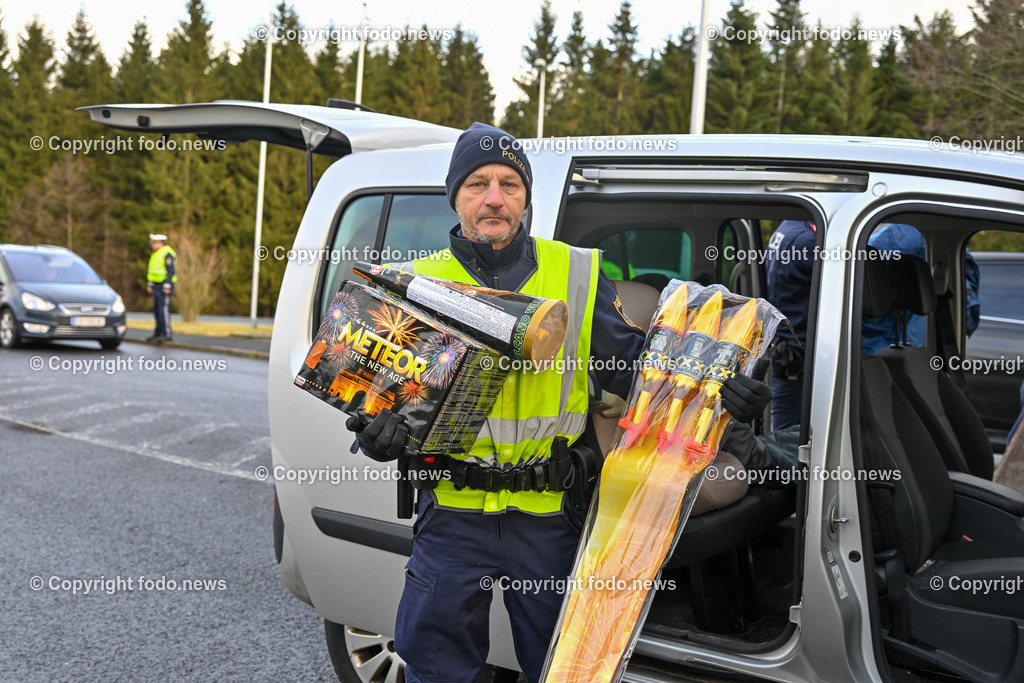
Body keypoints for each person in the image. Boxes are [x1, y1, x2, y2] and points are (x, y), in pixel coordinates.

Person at [346, 122, 771, 683]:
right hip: (450, 516)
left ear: (525, 197)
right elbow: (377, 399)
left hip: (548, 519)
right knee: (437, 670)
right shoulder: (414, 283)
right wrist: (374, 435)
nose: (494, 197)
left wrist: (724, 393)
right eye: (477, 183)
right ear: (455, 196)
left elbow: (651, 371)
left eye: (509, 183)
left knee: (563, 672)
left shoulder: (576, 273)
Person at [764, 220, 816, 430]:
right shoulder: (807, 241)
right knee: (789, 430)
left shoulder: (786, 228)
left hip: (784, 343)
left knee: (783, 421)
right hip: (798, 349)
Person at [146, 233, 176, 342]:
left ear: (160, 243)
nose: (152, 245)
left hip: (165, 286)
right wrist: (150, 284)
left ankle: (166, 333)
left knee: (163, 310)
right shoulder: (156, 254)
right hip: (157, 286)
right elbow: (152, 271)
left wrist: (167, 285)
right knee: (156, 310)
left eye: (153, 243)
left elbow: (171, 271)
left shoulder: (167, 253)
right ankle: (158, 332)